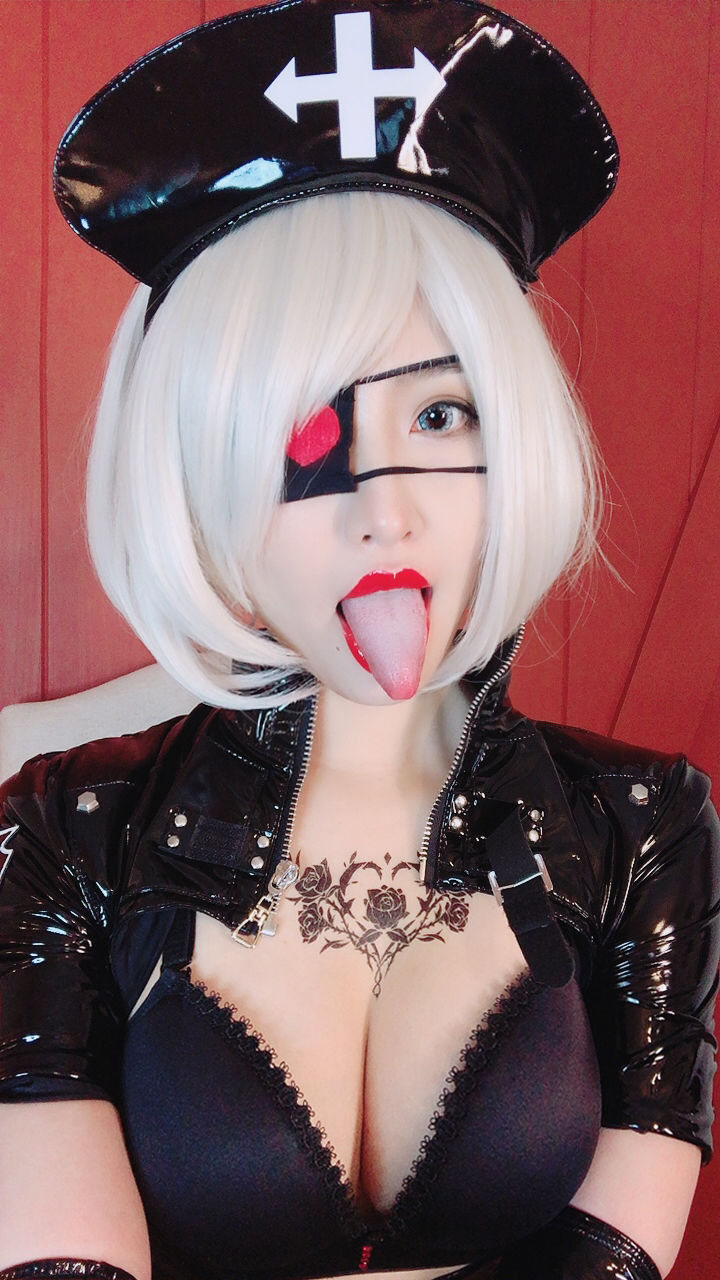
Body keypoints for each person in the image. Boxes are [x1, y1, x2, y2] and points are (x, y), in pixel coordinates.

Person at [0, 3, 718, 1279]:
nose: (386, 510)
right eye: (303, 438)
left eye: (441, 413)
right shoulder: (62, 833)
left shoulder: (644, 821)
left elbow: (624, 1230)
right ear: (196, 479)